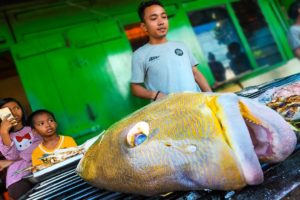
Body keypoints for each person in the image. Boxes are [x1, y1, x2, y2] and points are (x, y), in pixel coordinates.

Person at [130, 0, 212, 101]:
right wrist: (155, 95)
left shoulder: (181, 46)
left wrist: (212, 96)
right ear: (144, 26)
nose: (161, 22)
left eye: (164, 17)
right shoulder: (139, 55)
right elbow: (135, 88)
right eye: (154, 18)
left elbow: (196, 73)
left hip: (196, 104)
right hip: (167, 111)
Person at [0, 98, 42, 200]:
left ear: (22, 109)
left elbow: (39, 149)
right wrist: (4, 132)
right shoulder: (2, 136)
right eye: (8, 111)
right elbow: (13, 155)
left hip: (40, 169)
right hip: (17, 178)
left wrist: (10, 162)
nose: (14, 113)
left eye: (16, 108)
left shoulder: (34, 127)